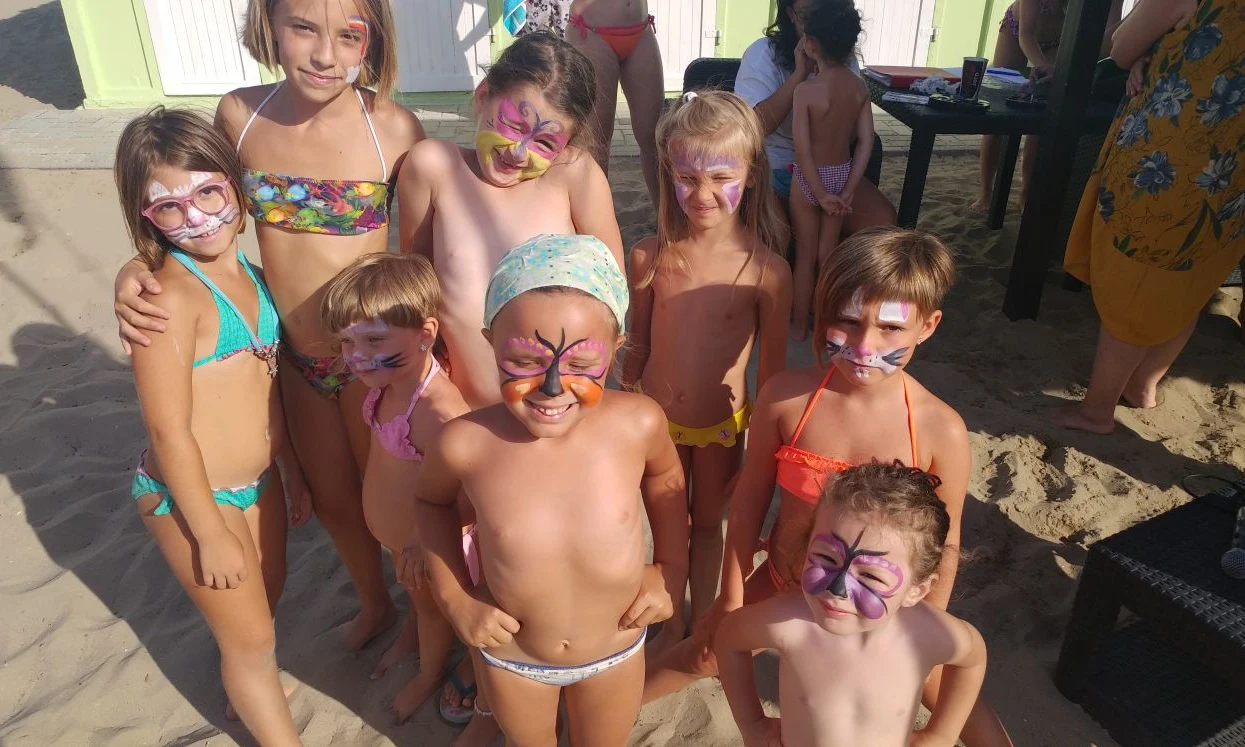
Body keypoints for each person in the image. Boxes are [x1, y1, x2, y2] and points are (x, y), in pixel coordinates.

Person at [112, 0, 425, 654]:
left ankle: (426, 621)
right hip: (296, 359)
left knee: (393, 507)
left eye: (347, 36)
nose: (324, 54)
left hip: (372, 362)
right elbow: (195, 212)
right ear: (269, 27)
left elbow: (420, 259)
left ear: (373, 40)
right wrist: (134, 270)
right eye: (303, 28)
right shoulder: (241, 114)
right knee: (337, 502)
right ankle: (376, 605)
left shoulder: (391, 129)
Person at [645, 228, 1013, 746]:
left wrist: (924, 621)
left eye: (890, 329)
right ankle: (605, 713)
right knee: (709, 650)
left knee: (939, 684)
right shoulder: (786, 399)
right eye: (847, 320)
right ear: (822, 311)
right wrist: (730, 596)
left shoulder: (937, 428)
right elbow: (749, 504)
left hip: (881, 595)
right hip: (784, 575)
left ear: (927, 326)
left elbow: (945, 540)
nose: (865, 346)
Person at [406, 234, 689, 745]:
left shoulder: (638, 424)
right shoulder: (467, 443)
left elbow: (667, 480)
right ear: (490, 341)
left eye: (581, 366)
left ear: (617, 347)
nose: (553, 386)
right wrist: (455, 598)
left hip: (617, 648)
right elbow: (430, 501)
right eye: (526, 361)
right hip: (516, 660)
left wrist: (671, 568)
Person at [115, 107, 309, 746]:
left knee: (265, 599)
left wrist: (290, 470)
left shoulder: (254, 278)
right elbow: (170, 432)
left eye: (208, 192)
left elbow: (270, 388)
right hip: (193, 496)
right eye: (168, 207)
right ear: (144, 215)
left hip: (259, 483)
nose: (195, 217)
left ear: (235, 184)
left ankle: (242, 692)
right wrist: (209, 532)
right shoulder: (168, 299)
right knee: (250, 638)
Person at [622, 90, 791, 637]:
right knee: (663, 525)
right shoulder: (651, 256)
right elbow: (637, 349)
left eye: (721, 177)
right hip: (655, 426)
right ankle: (668, 621)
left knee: (708, 528)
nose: (703, 193)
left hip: (723, 428)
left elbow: (771, 379)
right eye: (688, 177)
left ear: (752, 174)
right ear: (670, 172)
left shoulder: (768, 272)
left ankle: (700, 622)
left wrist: (764, 453)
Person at [399, 30, 624, 410]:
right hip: (466, 413)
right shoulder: (433, 167)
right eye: (514, 126)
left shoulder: (573, 174)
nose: (519, 153)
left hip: (557, 412)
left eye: (545, 143)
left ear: (566, 144)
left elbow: (613, 301)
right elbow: (415, 287)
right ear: (484, 94)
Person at [1055, 0, 1245, 434]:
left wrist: (1145, 50)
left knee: (1134, 282)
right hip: (1233, 174)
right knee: (1188, 280)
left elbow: (1121, 46)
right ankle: (1142, 387)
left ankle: (1096, 410)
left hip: (1172, 157)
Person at [716, 462, 987, 747]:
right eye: (826, 558)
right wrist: (753, 725)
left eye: (870, 575)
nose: (838, 588)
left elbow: (972, 659)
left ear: (917, 590)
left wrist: (941, 734)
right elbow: (729, 639)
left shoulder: (927, 635)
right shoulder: (789, 623)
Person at [319, 254, 476, 723]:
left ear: (426, 335)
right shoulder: (386, 383)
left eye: (373, 339)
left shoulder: (439, 413)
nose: (355, 355)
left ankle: (429, 674)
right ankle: (413, 630)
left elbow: (468, 493)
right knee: (419, 605)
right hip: (399, 539)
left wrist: (423, 541)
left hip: (425, 545)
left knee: (433, 611)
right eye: (347, 341)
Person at [734, 0, 896, 235]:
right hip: (774, 169)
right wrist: (799, 75)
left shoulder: (843, 59)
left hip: (831, 169)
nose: (819, 21)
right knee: (776, 230)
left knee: (882, 221)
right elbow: (752, 129)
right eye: (809, 14)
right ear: (790, 14)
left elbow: (856, 136)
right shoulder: (763, 53)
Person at [972, 0, 1126, 214]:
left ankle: (1026, 192)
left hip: (1062, 39)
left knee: (1044, 112)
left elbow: (1107, 36)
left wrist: (1071, 65)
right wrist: (1041, 63)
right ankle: (986, 193)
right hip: (1018, 31)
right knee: (997, 110)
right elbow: (1026, 35)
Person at [789, 0, 873, 339]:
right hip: (840, 177)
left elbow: (803, 149)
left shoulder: (805, 91)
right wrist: (847, 189)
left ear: (810, 44)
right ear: (851, 43)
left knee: (805, 256)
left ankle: (797, 326)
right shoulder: (859, 89)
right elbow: (866, 142)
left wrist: (818, 193)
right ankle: (825, 324)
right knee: (829, 256)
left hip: (808, 182)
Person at [566, 0, 663, 205]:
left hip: (641, 30)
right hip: (591, 33)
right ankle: (595, 223)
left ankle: (666, 220)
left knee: (655, 135)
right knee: (596, 142)